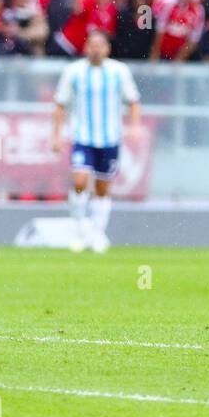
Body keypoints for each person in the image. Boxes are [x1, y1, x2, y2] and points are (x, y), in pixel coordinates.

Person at [50, 29, 142, 252]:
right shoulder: (74, 72)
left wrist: (136, 127)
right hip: (83, 137)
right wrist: (57, 135)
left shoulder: (119, 71)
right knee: (80, 182)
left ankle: (98, 233)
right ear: (86, 47)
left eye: (101, 44)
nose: (96, 49)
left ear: (108, 48)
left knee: (102, 188)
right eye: (92, 44)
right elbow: (61, 104)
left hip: (110, 138)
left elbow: (133, 100)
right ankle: (78, 230)